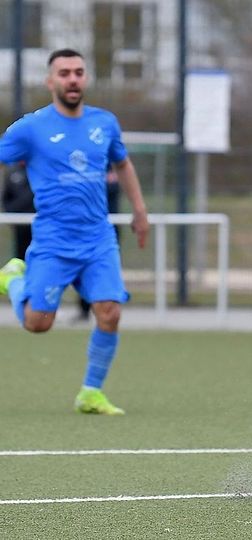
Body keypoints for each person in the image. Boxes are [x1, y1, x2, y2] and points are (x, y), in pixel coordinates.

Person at [0, 49, 149, 415]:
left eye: (79, 72)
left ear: (85, 79)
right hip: (53, 240)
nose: (72, 79)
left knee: (110, 312)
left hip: (97, 238)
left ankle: (90, 393)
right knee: (38, 324)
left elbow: (123, 163)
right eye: (64, 73)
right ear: (50, 81)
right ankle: (13, 278)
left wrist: (140, 210)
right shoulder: (31, 128)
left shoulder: (105, 123)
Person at [78, 166, 122, 322]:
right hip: (79, 231)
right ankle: (84, 310)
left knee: (110, 310)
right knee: (38, 320)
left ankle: (96, 309)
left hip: (106, 233)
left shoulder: (112, 166)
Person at [1, 161, 34, 259]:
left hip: (38, 223)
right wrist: (10, 216)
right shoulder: (12, 172)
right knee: (20, 253)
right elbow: (6, 198)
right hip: (18, 224)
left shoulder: (38, 172)